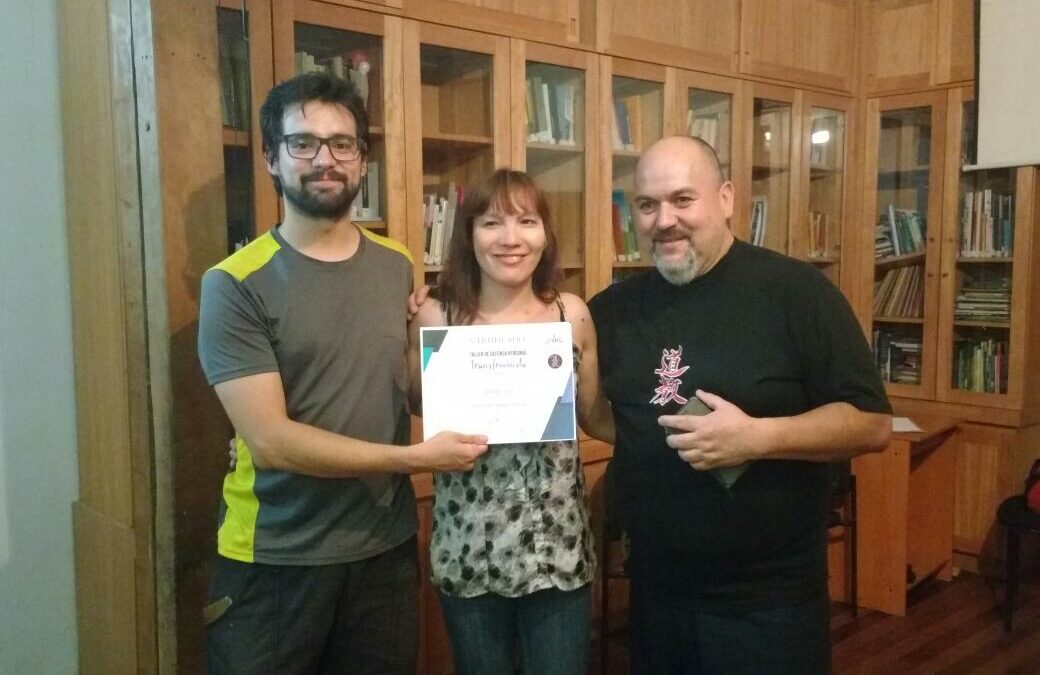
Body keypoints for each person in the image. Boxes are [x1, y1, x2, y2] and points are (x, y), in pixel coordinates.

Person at [197, 71, 487, 675]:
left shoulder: (397, 263)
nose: (324, 160)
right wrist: (413, 460)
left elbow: (407, 391)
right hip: (275, 559)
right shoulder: (234, 283)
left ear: (362, 161)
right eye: (303, 143)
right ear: (272, 159)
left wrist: (457, 348)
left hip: (383, 551)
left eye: (342, 143)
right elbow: (272, 442)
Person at [586, 135, 892, 675]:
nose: (664, 221)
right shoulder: (613, 310)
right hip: (655, 594)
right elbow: (613, 417)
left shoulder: (796, 292)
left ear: (726, 198)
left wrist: (758, 437)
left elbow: (871, 423)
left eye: (683, 200)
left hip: (769, 604)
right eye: (648, 205)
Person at [408, 169, 614, 675]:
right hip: (468, 550)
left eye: (527, 221)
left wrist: (665, 436)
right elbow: (416, 404)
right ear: (469, 234)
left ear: (545, 234)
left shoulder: (571, 315)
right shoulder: (436, 317)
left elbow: (595, 417)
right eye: (491, 223)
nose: (510, 238)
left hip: (557, 551)